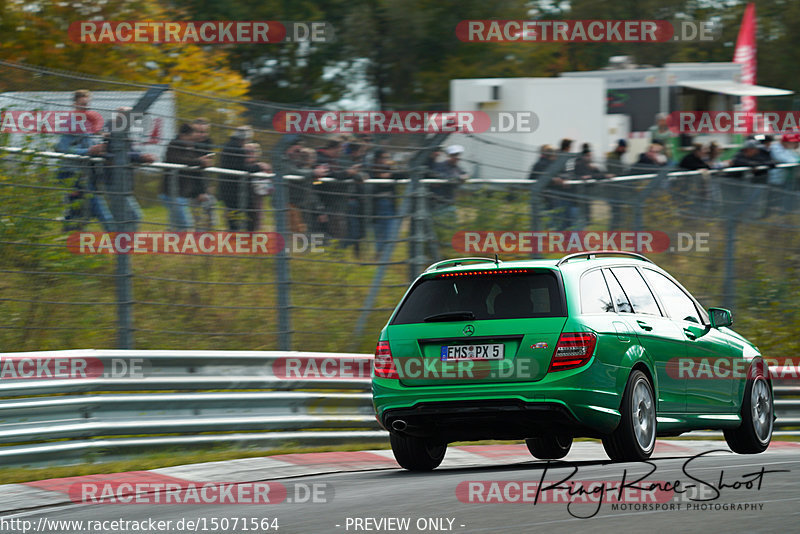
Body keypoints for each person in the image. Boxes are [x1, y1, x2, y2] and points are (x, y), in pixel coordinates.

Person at [55, 89, 107, 230]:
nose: (85, 108)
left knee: (78, 213)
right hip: (70, 174)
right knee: (93, 209)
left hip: (83, 174)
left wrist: (99, 147)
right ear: (74, 104)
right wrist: (88, 151)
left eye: (87, 105)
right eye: (82, 105)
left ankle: (70, 236)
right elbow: (64, 148)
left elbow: (88, 144)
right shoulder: (69, 123)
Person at [161, 123, 214, 231]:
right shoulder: (174, 145)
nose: (192, 141)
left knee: (179, 226)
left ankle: (174, 245)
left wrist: (202, 160)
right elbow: (177, 160)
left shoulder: (188, 146)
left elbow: (192, 161)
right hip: (172, 192)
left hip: (182, 193)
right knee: (184, 225)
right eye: (190, 138)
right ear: (183, 135)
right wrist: (199, 161)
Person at [218, 126, 252, 231]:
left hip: (229, 187)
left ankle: (235, 233)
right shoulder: (236, 149)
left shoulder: (229, 146)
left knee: (233, 214)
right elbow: (242, 168)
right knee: (236, 215)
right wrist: (258, 167)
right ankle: (236, 235)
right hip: (233, 189)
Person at [370, 149, 400, 257]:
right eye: (383, 158)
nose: (386, 160)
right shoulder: (371, 170)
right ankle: (380, 255)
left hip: (390, 204)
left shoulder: (390, 170)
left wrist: (392, 171)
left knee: (391, 232)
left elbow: (402, 175)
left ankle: (385, 256)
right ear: (377, 159)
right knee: (380, 233)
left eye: (387, 158)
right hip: (378, 205)